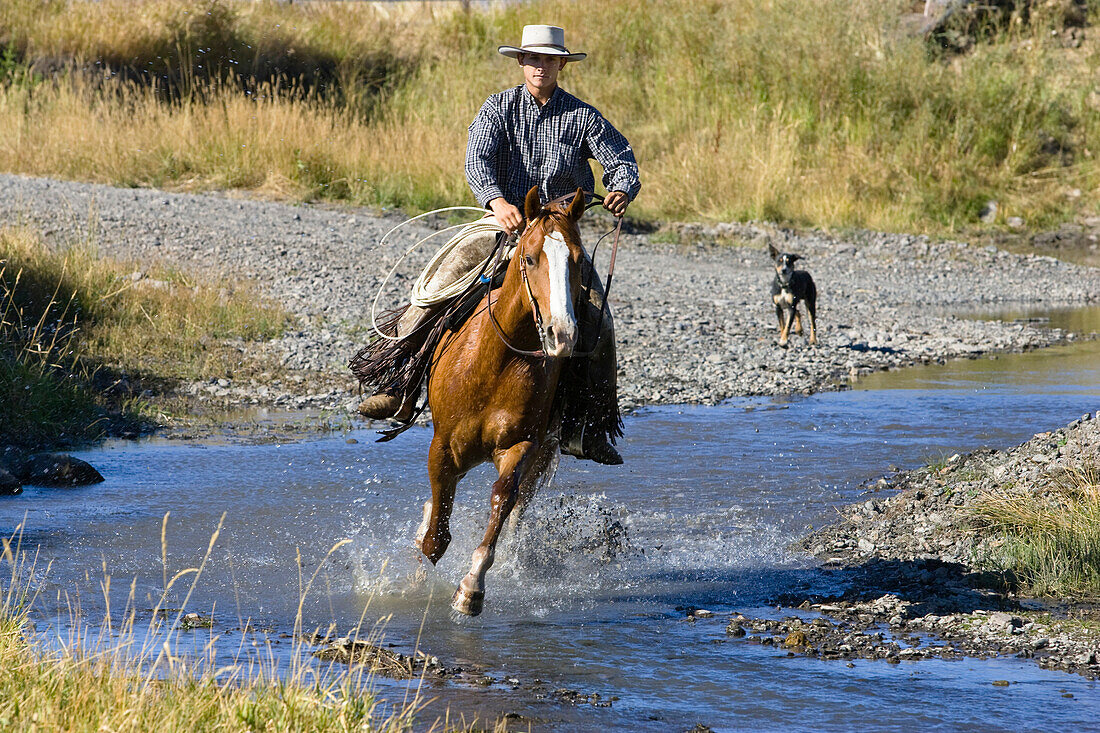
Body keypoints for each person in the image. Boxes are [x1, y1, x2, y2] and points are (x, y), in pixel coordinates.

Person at [357, 24, 640, 465]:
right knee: (437, 286)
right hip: (503, 225)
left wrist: (623, 186)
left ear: (562, 64)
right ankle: (398, 385)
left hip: (560, 234)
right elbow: (477, 159)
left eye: (549, 59)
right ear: (521, 63)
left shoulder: (583, 116)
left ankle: (585, 427)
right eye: (533, 59)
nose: (540, 66)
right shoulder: (499, 108)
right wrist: (497, 200)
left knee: (600, 323)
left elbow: (620, 157)